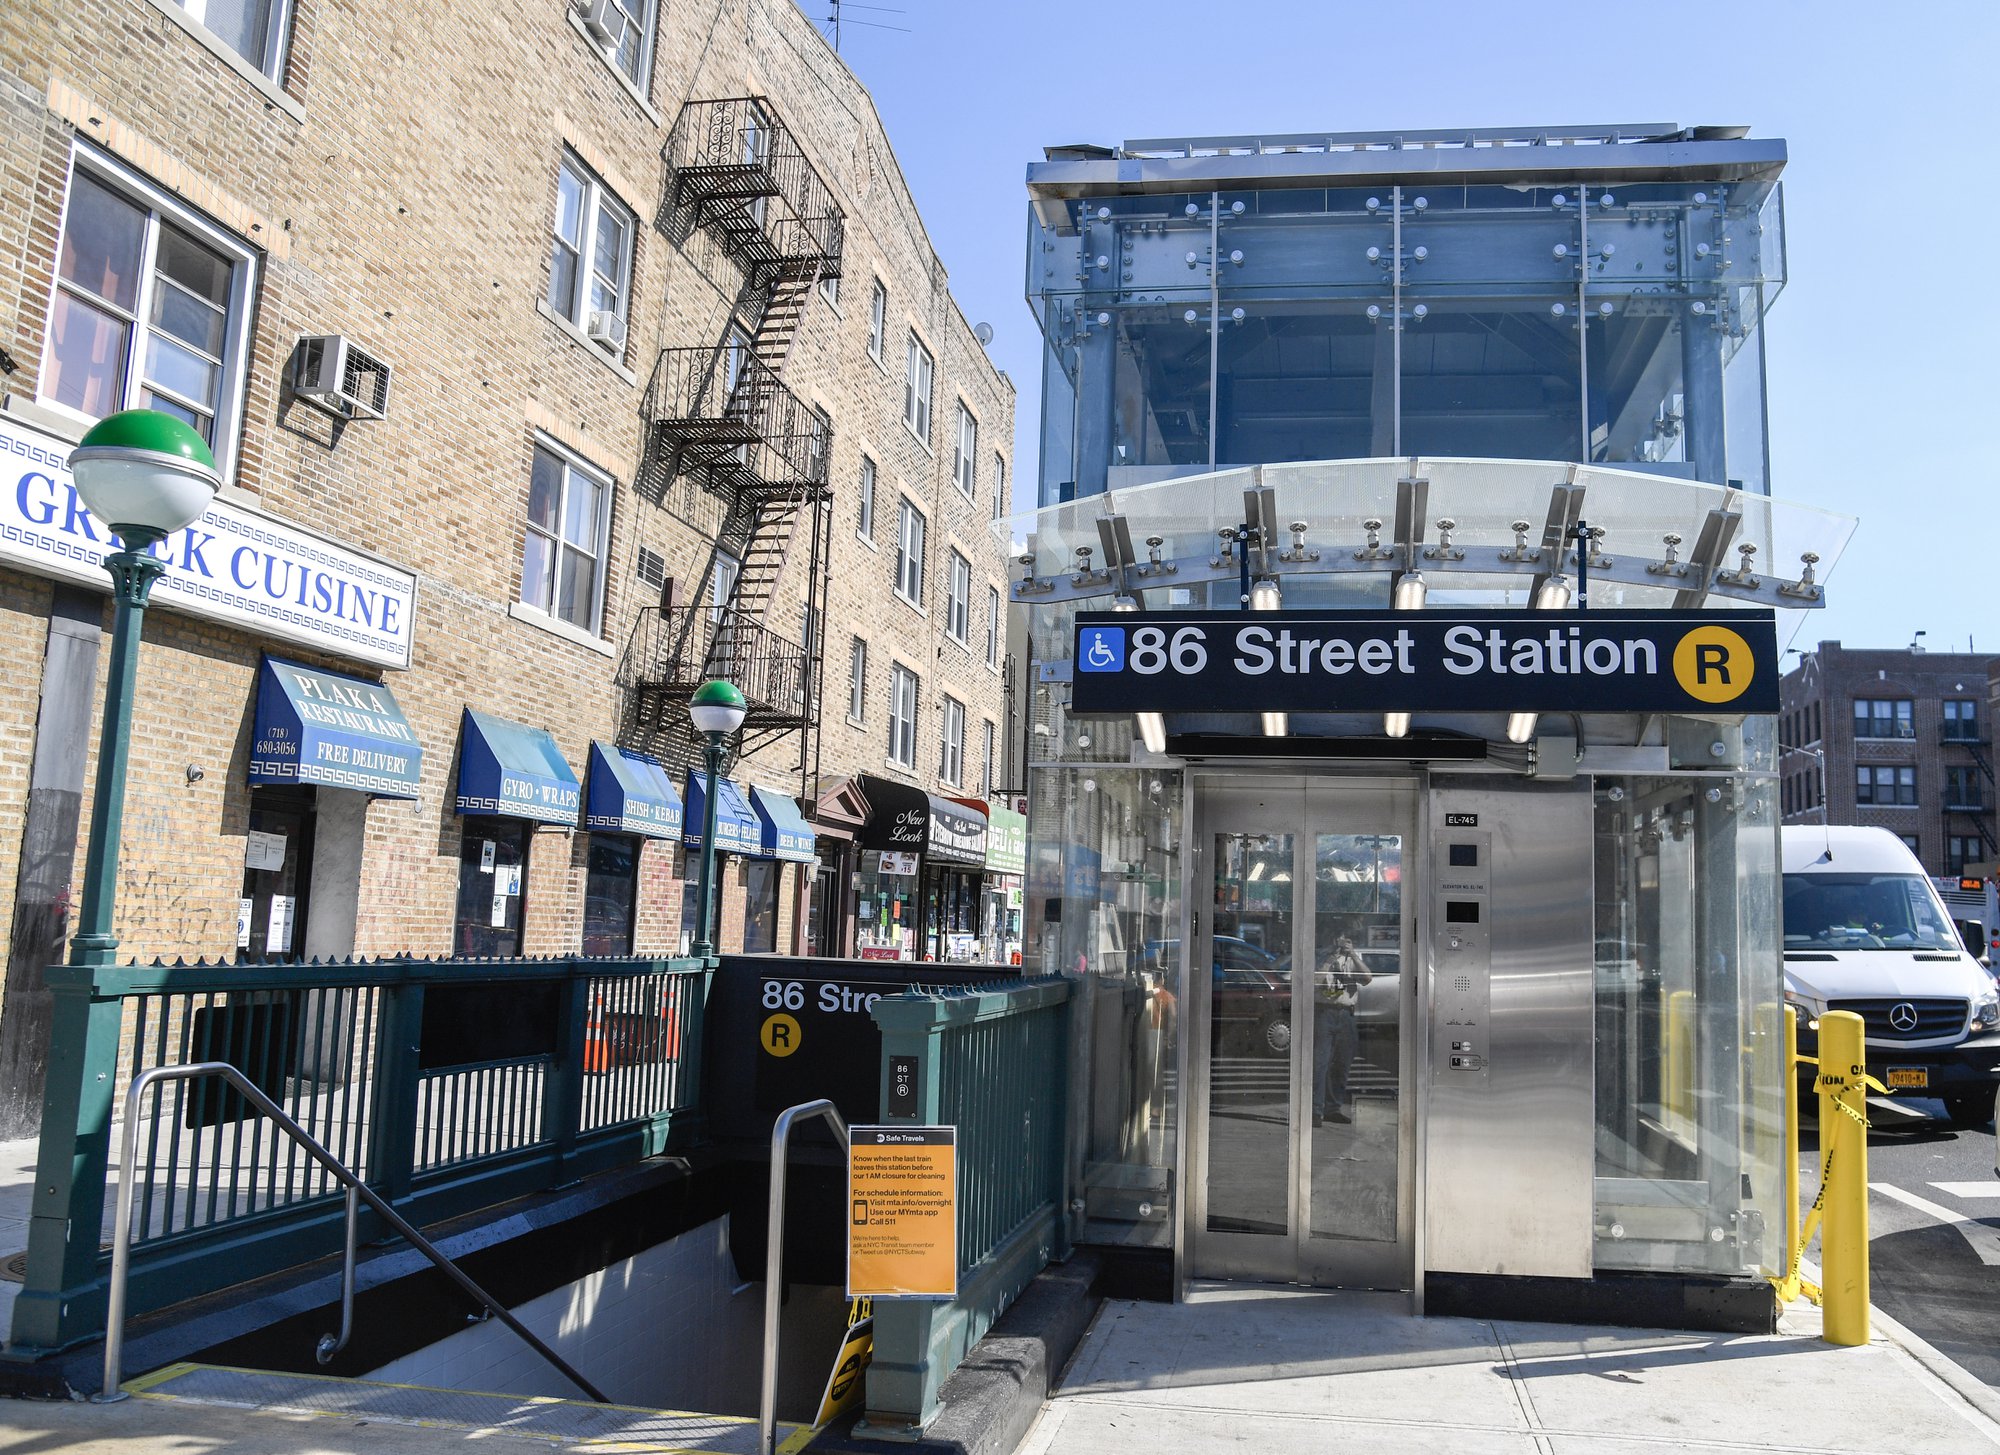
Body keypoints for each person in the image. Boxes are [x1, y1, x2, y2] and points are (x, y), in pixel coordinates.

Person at [1312, 934, 1370, 1126]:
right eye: (1337, 939)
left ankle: (1333, 1108)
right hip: (1324, 1012)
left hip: (1345, 1013)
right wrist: (1330, 958)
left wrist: (1352, 955)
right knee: (1320, 1063)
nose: (1340, 943)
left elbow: (1367, 978)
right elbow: (1316, 981)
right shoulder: (1320, 956)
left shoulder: (1353, 958)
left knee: (1342, 1063)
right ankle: (1315, 1110)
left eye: (1345, 940)